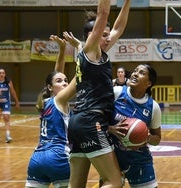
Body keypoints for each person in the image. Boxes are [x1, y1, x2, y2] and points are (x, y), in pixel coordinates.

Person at [67, 0, 131, 187]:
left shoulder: (97, 54)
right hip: (90, 120)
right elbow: (103, 13)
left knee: (76, 184)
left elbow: (118, 27)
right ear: (91, 36)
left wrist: (127, 2)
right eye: (103, 34)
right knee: (115, 181)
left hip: (78, 121)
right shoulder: (90, 50)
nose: (108, 37)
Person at [25, 34, 79, 188]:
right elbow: (80, 76)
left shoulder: (45, 102)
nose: (64, 83)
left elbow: (55, 75)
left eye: (66, 81)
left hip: (37, 159)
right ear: (50, 87)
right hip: (58, 157)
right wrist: (83, 50)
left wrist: (62, 50)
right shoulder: (59, 100)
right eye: (60, 82)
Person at [109, 64, 162, 188]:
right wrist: (111, 129)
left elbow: (157, 138)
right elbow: (96, 119)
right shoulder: (116, 93)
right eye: (135, 71)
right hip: (112, 158)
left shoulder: (153, 107)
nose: (135, 74)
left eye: (141, 73)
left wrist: (146, 137)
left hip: (139, 161)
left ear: (148, 83)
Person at [0, 68, 20, 143]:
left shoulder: (8, 81)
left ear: (5, 74)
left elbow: (13, 91)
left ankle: (8, 135)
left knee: (6, 117)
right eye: (0, 73)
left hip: (6, 102)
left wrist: (17, 101)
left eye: (3, 73)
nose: (1, 74)